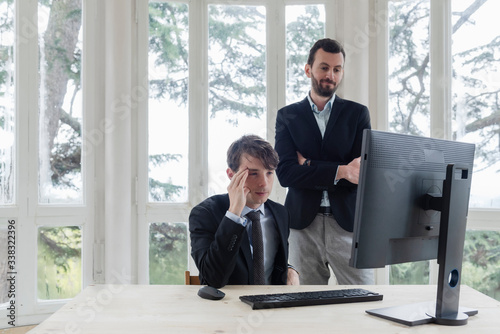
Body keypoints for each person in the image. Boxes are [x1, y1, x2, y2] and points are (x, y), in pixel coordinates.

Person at [274, 38, 374, 285]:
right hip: (302, 228)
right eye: (324, 67)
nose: (330, 75)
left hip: (348, 225)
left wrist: (308, 165)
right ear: (308, 69)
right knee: (305, 306)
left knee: (363, 300)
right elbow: (286, 174)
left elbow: (360, 175)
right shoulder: (287, 117)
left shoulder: (357, 114)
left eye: (337, 69)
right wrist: (341, 170)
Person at [189, 134, 300, 288]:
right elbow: (212, 279)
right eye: (253, 173)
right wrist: (234, 214)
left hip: (271, 307)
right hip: (226, 307)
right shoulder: (204, 214)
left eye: (269, 173)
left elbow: (274, 264)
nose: (264, 183)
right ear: (231, 175)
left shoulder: (280, 213)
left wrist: (290, 269)